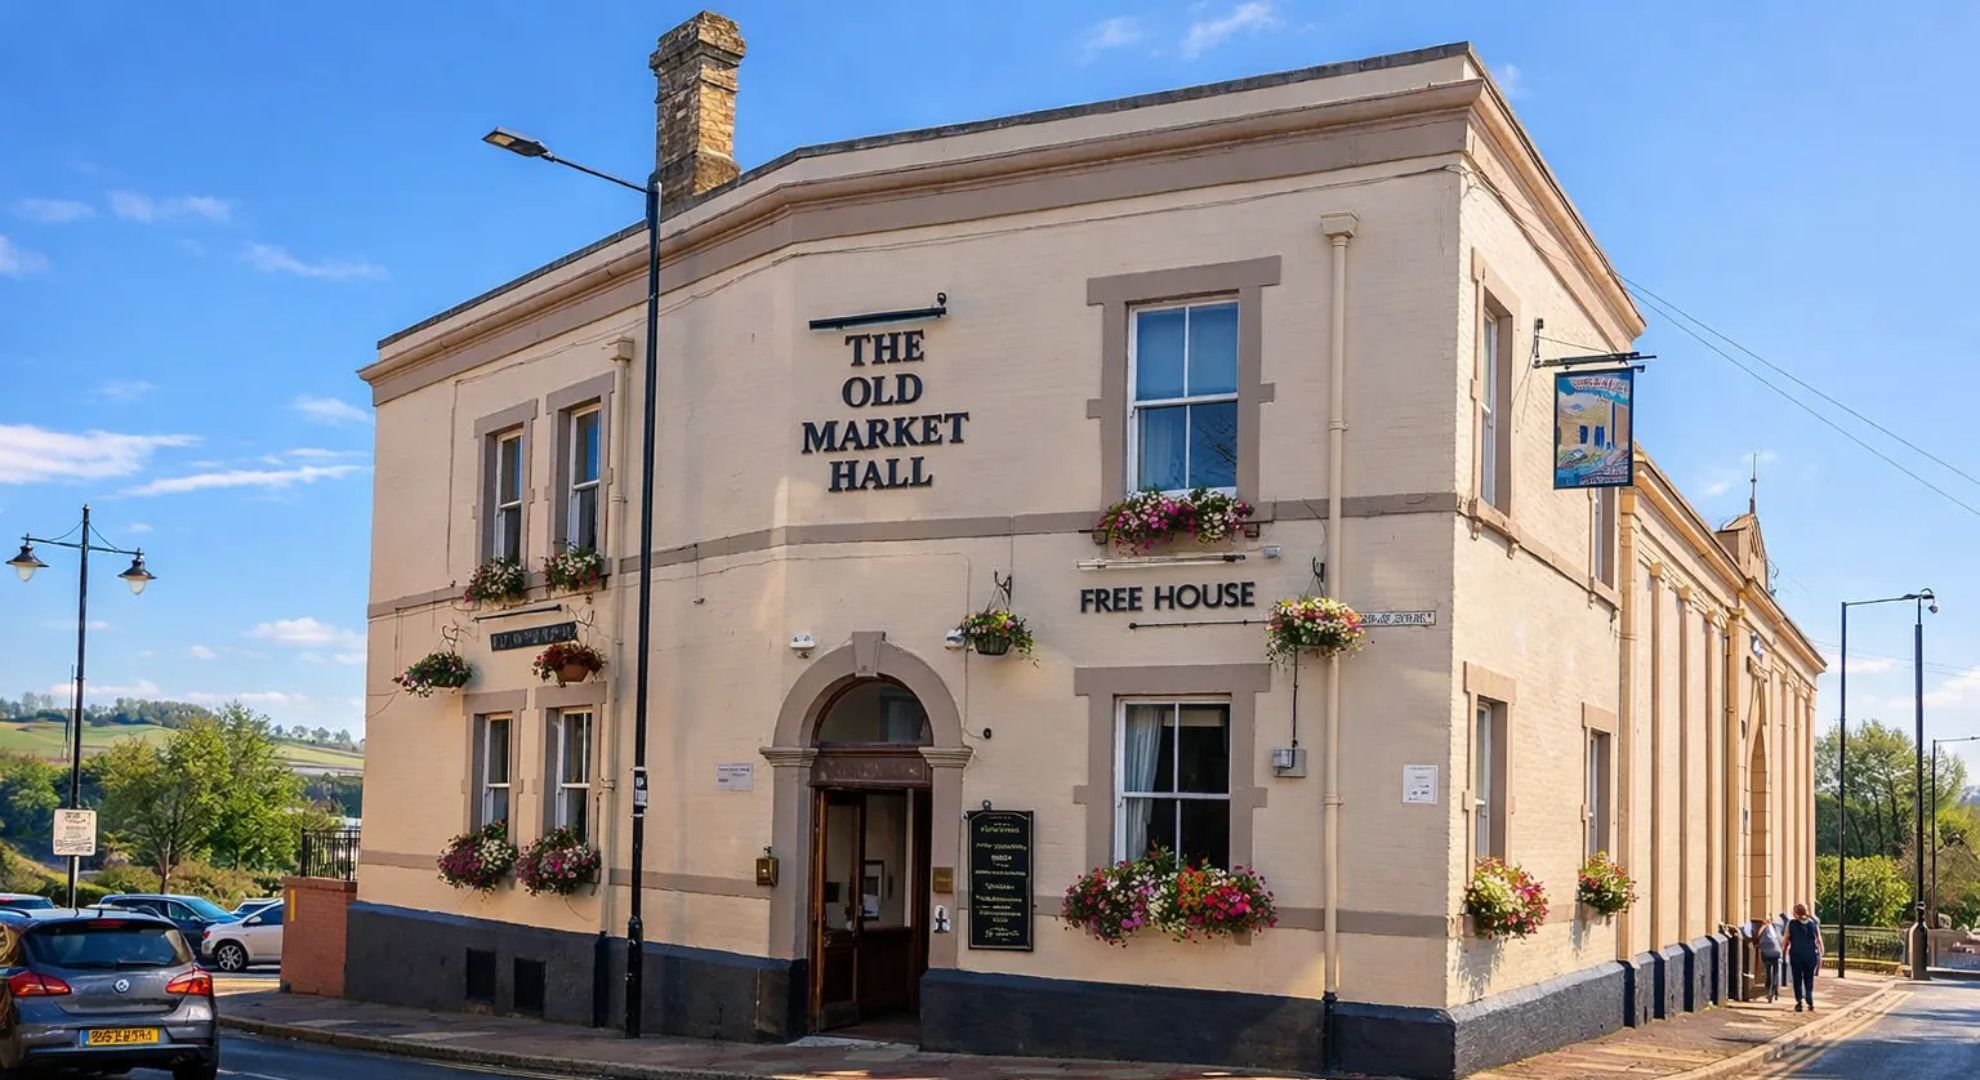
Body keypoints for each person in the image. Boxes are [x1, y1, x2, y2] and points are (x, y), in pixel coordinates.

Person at [1786, 903, 1823, 1012]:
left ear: (1796, 913)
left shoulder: (1791, 924)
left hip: (1796, 955)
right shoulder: (1813, 924)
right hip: (1810, 956)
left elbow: (1785, 940)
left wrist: (1783, 950)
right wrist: (1821, 954)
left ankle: (1799, 1002)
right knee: (1809, 978)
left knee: (1797, 979)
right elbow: (1819, 941)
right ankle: (1809, 999)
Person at [1756, 913, 1783, 1003]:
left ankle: (1769, 989)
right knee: (1776, 971)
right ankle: (1775, 989)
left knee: (1768, 971)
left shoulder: (1762, 927)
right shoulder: (1776, 927)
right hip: (1776, 951)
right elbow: (1780, 939)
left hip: (1766, 952)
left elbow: (1758, 935)